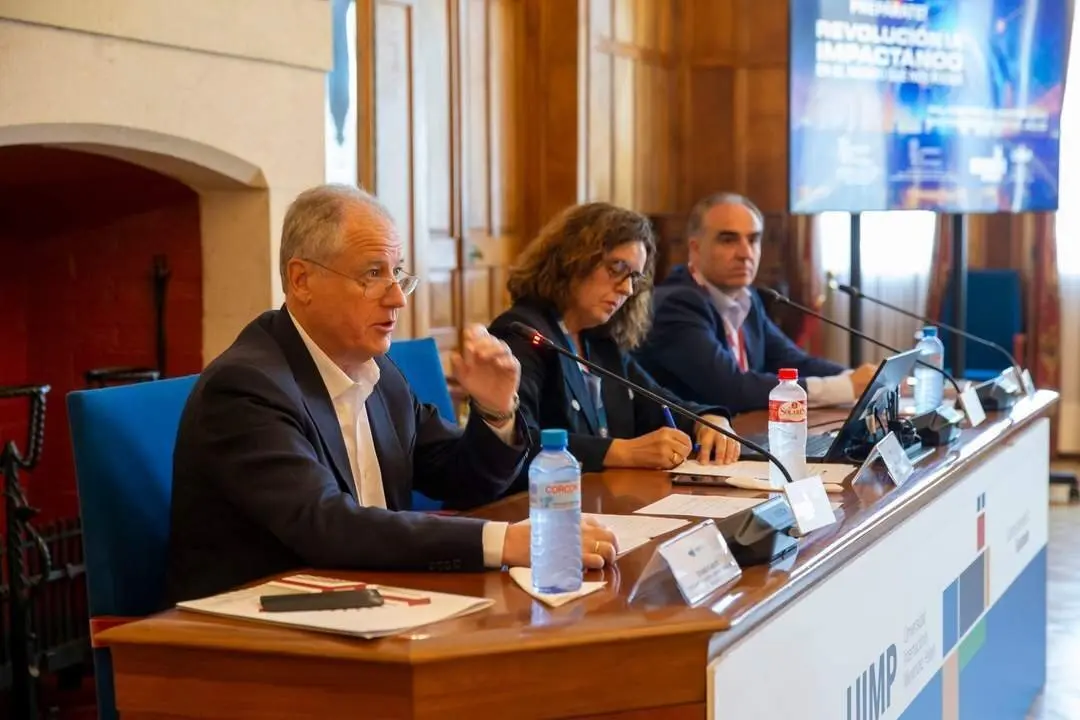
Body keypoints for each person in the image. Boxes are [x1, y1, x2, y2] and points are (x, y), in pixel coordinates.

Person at [164, 185, 616, 604]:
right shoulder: (247, 388)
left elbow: (460, 481)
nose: (398, 298)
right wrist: (507, 542)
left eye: (397, 273)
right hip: (262, 628)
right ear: (301, 281)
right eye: (373, 274)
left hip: (371, 596)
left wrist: (496, 412)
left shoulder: (379, 372)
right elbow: (327, 525)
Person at [489, 202, 740, 488]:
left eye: (634, 276)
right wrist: (621, 452)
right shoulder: (521, 334)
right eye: (616, 268)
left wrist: (707, 420)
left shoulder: (598, 340)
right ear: (572, 259)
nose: (627, 289)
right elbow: (516, 443)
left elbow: (660, 403)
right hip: (536, 509)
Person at [634, 192, 878, 415]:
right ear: (695, 249)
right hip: (690, 451)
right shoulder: (675, 304)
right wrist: (845, 387)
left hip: (744, 437)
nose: (745, 253)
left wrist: (859, 381)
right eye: (728, 240)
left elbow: (794, 362)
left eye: (753, 240)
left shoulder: (747, 298)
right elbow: (731, 388)